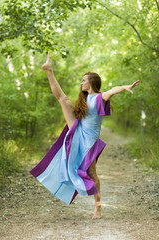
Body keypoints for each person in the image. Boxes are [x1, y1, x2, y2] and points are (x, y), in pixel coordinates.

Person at [30, 52, 140, 219]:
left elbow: (111, 91)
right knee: (63, 99)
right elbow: (64, 99)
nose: (81, 82)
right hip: (77, 131)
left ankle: (98, 208)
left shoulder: (99, 98)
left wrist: (124, 87)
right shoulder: (83, 100)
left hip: (89, 141)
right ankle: (49, 71)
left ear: (92, 82)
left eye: (84, 80)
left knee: (92, 173)